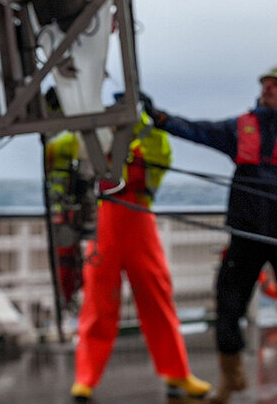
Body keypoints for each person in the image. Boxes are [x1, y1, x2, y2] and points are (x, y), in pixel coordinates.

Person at [145, 65, 277, 404]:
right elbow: (198, 130)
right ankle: (232, 380)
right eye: (266, 83)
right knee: (227, 307)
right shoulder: (239, 129)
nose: (268, 88)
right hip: (245, 233)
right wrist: (161, 118)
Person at [46, 108, 211, 403]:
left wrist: (143, 120)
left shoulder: (150, 140)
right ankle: (85, 378)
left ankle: (177, 371)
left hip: (139, 218)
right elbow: (57, 148)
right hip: (104, 219)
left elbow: (161, 153)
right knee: (97, 303)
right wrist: (68, 119)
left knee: (158, 297)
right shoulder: (91, 140)